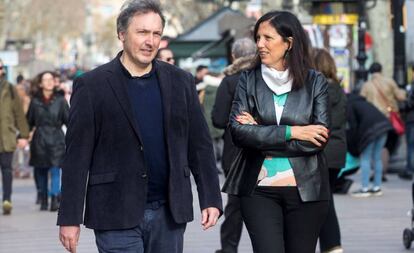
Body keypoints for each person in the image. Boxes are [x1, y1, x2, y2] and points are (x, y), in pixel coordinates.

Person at [57, 1, 222, 253]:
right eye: (142, 32)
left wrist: (210, 197)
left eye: (156, 34)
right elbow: (76, 156)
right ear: (122, 35)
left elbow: (199, 145)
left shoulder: (180, 81)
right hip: (114, 211)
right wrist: (69, 216)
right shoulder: (92, 85)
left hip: (169, 212)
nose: (150, 41)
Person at [223, 11, 330, 253]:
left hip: (306, 191)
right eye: (257, 37)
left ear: (289, 42)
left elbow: (318, 139)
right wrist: (292, 132)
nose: (259, 44)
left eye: (267, 38)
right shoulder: (248, 80)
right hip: (258, 190)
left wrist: (260, 132)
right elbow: (239, 134)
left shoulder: (315, 82)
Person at [212, 37, 256, 253]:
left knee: (235, 206)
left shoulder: (229, 82)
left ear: (233, 56)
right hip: (265, 151)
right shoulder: (265, 78)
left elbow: (218, 119)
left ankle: (228, 249)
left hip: (236, 153)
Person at [313, 48, 347, 253]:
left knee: (322, 202)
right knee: (326, 199)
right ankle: (331, 245)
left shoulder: (318, 88)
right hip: (338, 150)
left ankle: (332, 245)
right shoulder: (340, 89)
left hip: (322, 150)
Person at [27, 71, 69, 211]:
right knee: (41, 171)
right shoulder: (35, 102)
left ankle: (54, 198)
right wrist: (23, 136)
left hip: (56, 139)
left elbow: (69, 120)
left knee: (56, 170)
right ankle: (43, 197)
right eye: (45, 80)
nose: (49, 82)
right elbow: (29, 121)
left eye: (51, 79)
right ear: (40, 84)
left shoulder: (60, 100)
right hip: (39, 140)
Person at [360, 62, 406, 182]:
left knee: (371, 148)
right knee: (385, 147)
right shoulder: (389, 82)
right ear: (381, 70)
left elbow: (361, 101)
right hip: (388, 119)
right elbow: (401, 97)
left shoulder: (367, 85)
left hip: (372, 120)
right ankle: (380, 174)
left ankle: (374, 174)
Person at [347, 92, 394, 197]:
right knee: (377, 158)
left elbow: (353, 127)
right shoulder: (364, 102)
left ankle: (364, 188)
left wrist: (354, 144)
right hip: (384, 127)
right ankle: (377, 187)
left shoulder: (350, 104)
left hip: (370, 131)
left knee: (365, 158)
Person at [0, 60, 29, 215]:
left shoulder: (10, 89)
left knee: (6, 169)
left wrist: (24, 135)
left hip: (6, 136)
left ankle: (7, 200)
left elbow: (18, 113)